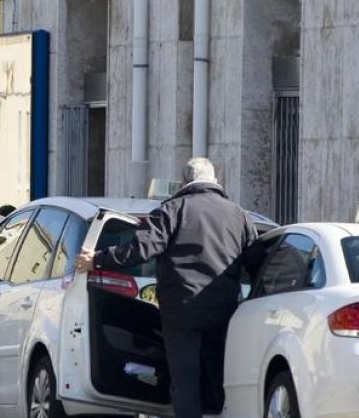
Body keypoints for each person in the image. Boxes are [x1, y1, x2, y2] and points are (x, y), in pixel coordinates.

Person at [76, 157, 256, 418]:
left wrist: (97, 260)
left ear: (184, 182)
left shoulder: (172, 210)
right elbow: (255, 259)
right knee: (220, 377)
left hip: (181, 311)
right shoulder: (239, 215)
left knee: (185, 382)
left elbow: (140, 249)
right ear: (215, 181)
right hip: (224, 311)